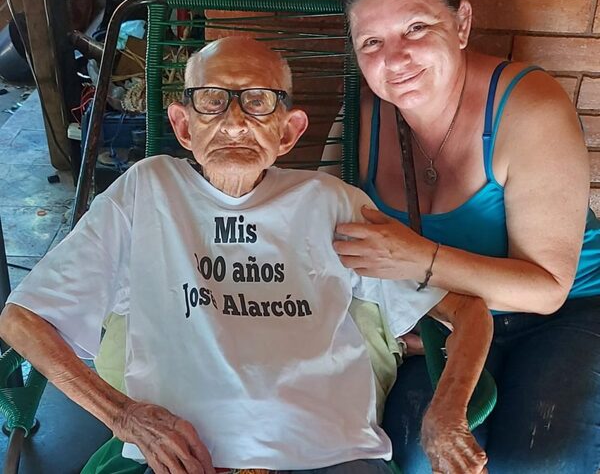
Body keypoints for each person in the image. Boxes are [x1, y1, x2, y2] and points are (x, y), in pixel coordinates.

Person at [0, 37, 492, 474]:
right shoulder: (146, 194)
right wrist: (124, 417)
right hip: (185, 461)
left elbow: (468, 310)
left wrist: (445, 414)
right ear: (183, 126)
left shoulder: (333, 204)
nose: (234, 122)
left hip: (334, 459)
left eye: (258, 102)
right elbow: (22, 320)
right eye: (212, 101)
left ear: (288, 132)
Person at [333, 0, 600, 474]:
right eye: (372, 43)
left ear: (462, 24)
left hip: (564, 314)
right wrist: (388, 321)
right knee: (412, 456)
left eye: (416, 28)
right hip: (441, 317)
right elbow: (328, 239)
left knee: (543, 459)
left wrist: (418, 258)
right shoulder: (362, 120)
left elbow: (548, 288)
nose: (396, 58)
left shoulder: (530, 107)